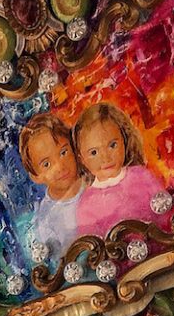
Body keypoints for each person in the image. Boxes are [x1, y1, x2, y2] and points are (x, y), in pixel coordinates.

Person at [73, 102, 164, 236]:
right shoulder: (86, 204)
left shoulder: (142, 176)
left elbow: (165, 212)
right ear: (82, 159)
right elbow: (92, 247)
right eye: (94, 153)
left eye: (112, 145)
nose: (105, 158)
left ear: (124, 140)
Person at [18, 112, 85, 261]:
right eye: (47, 164)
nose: (60, 167)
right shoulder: (46, 217)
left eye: (63, 152)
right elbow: (57, 263)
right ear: (36, 176)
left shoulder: (93, 182)